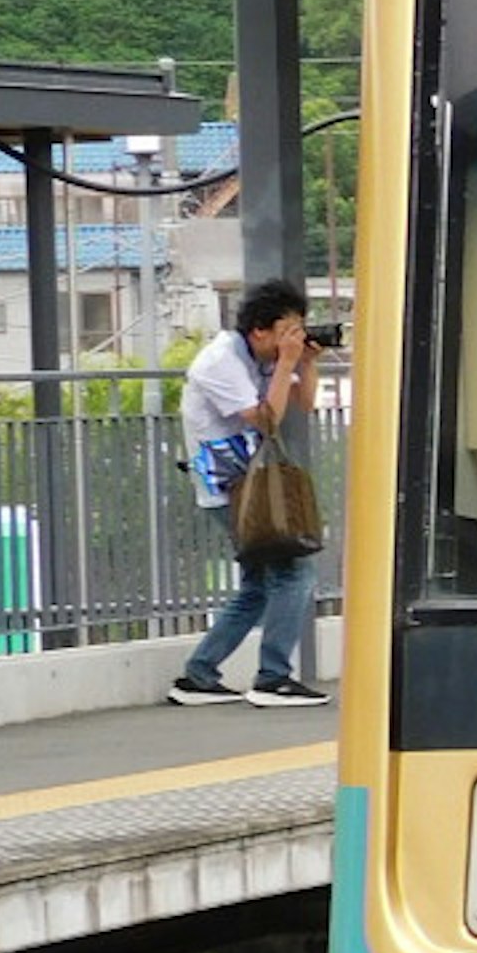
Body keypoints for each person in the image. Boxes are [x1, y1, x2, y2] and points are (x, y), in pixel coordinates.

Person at [171, 278, 329, 708]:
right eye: (288, 331)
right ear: (260, 331)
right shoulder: (221, 361)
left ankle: (197, 676)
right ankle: (272, 678)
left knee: (259, 585)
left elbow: (306, 404)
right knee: (293, 572)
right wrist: (285, 365)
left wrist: (306, 364)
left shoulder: (260, 357)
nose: (293, 339)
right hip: (229, 487)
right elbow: (266, 420)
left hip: (250, 484)